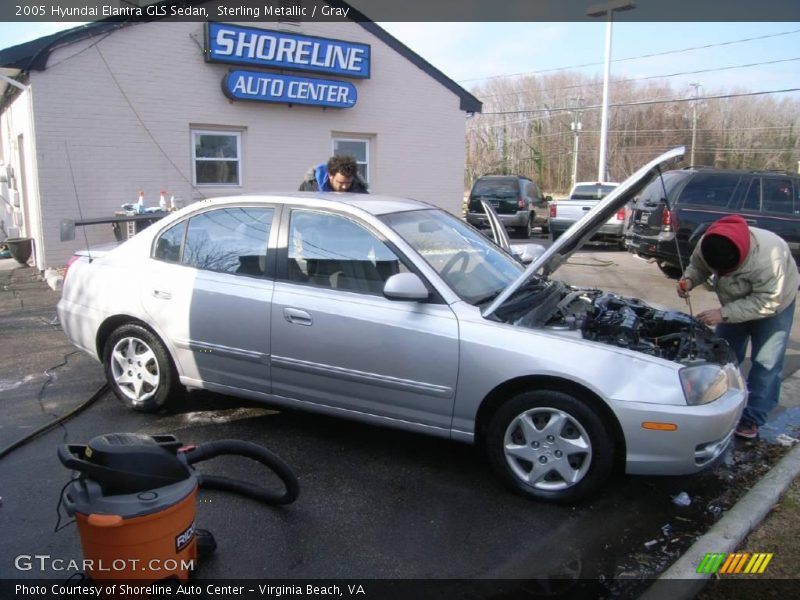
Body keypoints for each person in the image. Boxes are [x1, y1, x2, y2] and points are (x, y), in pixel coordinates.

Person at [677, 215, 798, 439]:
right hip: (734, 303)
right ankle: (718, 404)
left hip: (775, 304)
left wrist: (723, 314)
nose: (719, 275)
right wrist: (689, 280)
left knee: (766, 362)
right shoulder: (709, 244)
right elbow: (697, 267)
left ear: (739, 261)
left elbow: (767, 301)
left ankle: (752, 418)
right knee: (724, 355)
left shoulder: (769, 258)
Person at [298, 155, 368, 193]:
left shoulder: (359, 190)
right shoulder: (310, 186)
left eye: (348, 183)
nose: (344, 187)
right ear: (330, 175)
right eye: (341, 182)